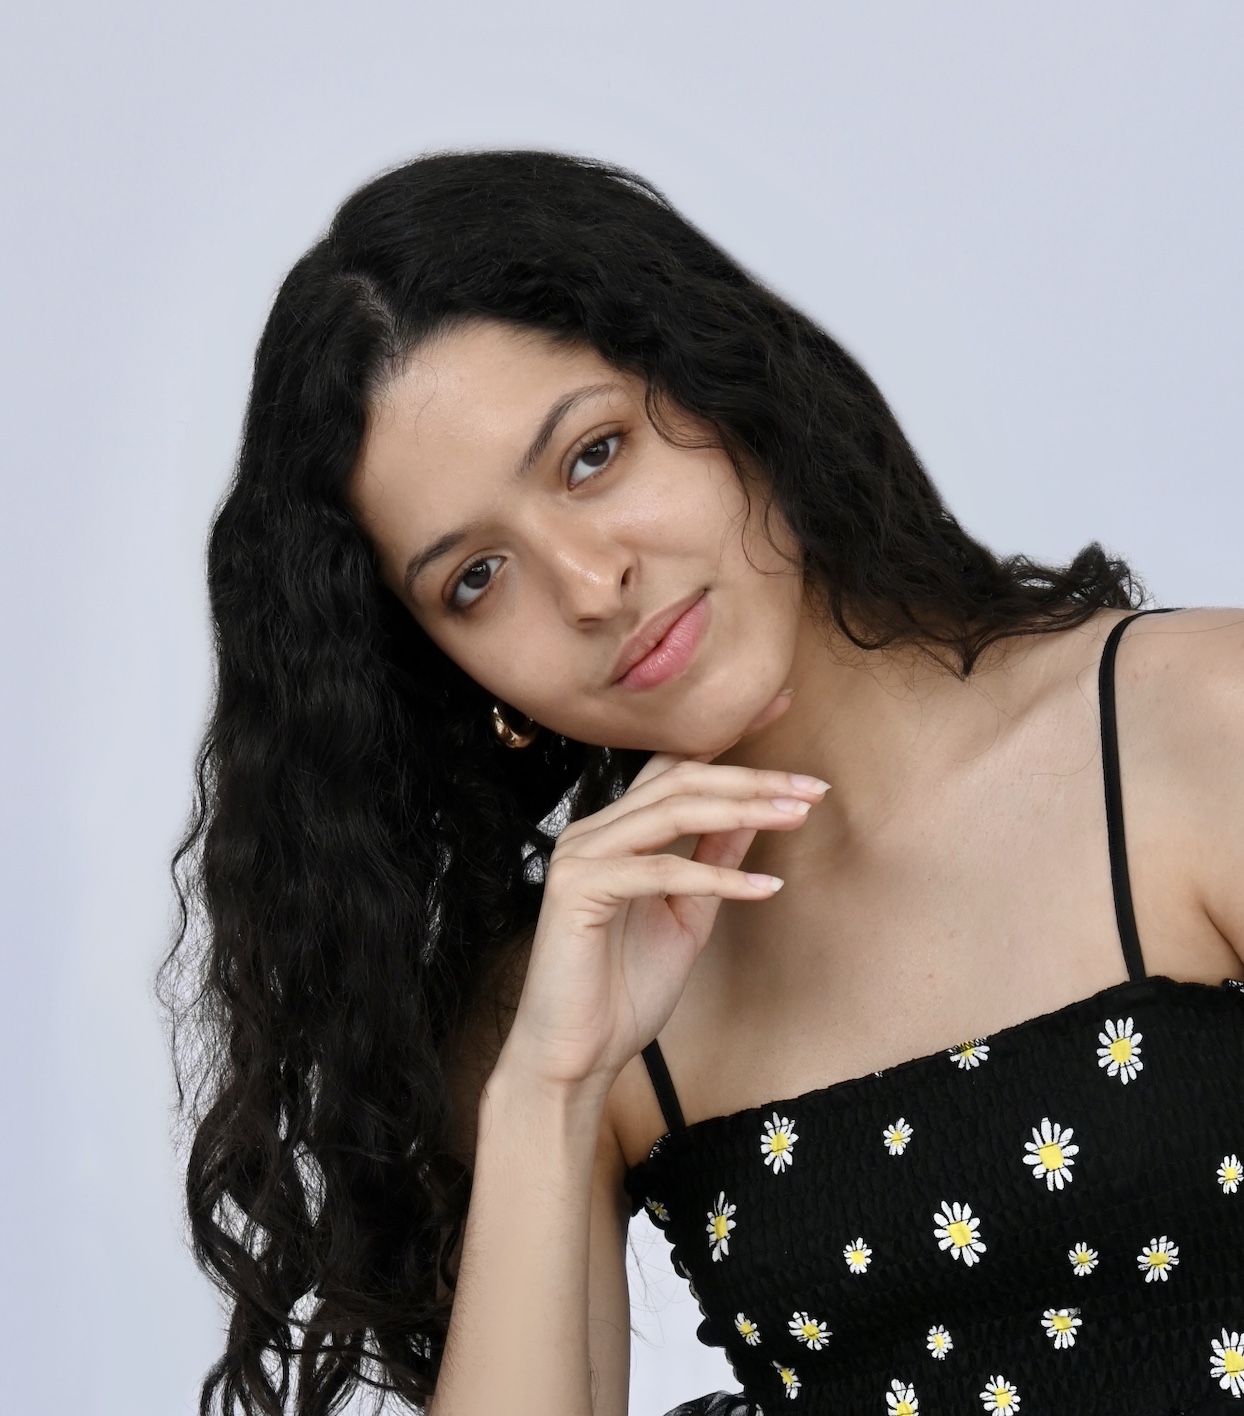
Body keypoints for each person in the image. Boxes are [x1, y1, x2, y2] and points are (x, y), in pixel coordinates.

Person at [169, 150, 1244, 1416]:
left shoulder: (1197, 728)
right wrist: (551, 1088)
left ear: (725, 385)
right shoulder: (573, 998)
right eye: (475, 579)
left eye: (593, 455)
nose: (588, 587)